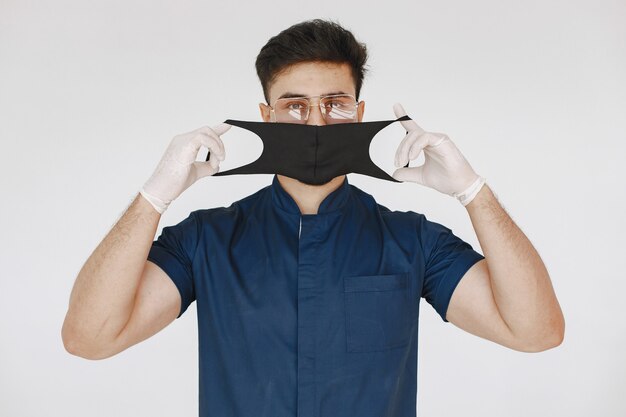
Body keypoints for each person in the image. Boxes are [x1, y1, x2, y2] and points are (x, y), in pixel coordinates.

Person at [62, 18, 565, 417]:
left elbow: (536, 332)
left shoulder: (413, 242)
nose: (317, 122)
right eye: (295, 106)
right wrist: (154, 197)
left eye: (335, 104)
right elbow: (89, 338)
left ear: (359, 111)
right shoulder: (204, 242)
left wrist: (472, 192)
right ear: (267, 116)